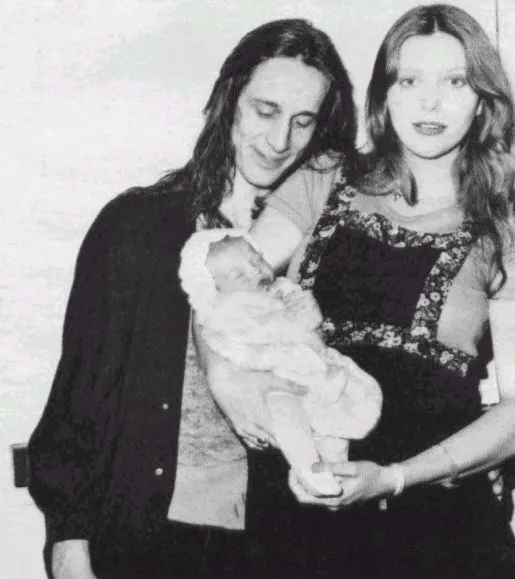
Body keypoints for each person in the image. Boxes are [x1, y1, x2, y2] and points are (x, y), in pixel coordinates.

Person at [242, 5, 515, 578]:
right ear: (384, 95)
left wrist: (393, 478)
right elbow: (225, 286)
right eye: (410, 80)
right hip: (299, 516)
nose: (430, 103)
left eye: (456, 82)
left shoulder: (504, 229)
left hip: (438, 529)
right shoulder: (323, 177)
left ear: (483, 100)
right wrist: (248, 405)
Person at [27, 18, 356, 579]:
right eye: (265, 111)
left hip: (284, 547)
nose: (280, 141)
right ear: (229, 100)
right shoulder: (135, 227)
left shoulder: (331, 242)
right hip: (147, 543)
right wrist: (69, 541)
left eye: (303, 121)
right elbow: (79, 400)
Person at [179, 229, 382, 496]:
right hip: (274, 378)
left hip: (313, 369)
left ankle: (336, 468)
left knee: (335, 423)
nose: (255, 271)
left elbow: (311, 323)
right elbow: (228, 346)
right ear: (215, 289)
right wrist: (260, 353)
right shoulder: (224, 311)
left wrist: (306, 312)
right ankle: (308, 470)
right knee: (289, 420)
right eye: (238, 275)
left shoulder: (283, 289)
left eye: (256, 260)